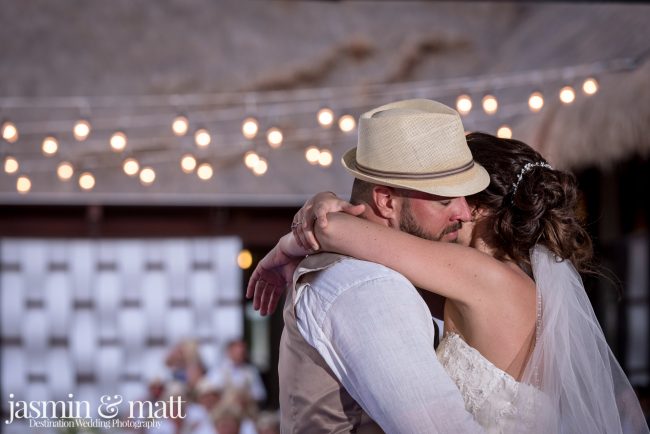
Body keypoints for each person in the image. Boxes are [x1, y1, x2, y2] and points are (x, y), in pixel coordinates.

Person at [250, 132, 650, 433]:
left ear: (479, 206)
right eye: (445, 196)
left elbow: (336, 230)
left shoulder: (477, 276)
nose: (455, 210)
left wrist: (299, 231)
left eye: (457, 194)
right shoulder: (507, 284)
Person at [249, 99, 488, 433]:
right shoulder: (370, 286)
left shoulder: (362, 270)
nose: (464, 214)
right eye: (445, 200)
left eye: (466, 197)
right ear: (386, 200)